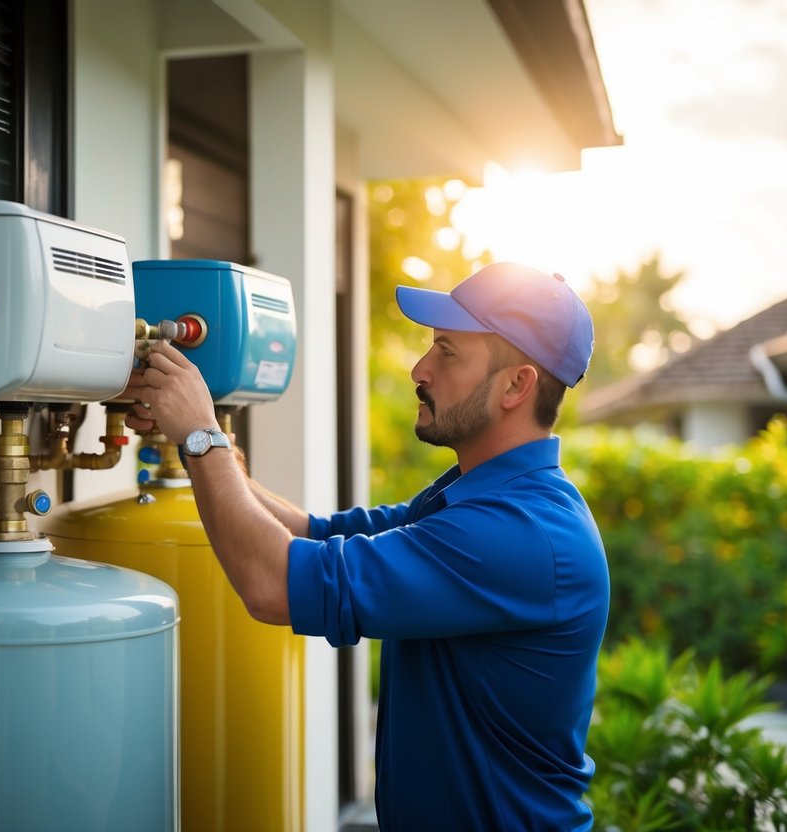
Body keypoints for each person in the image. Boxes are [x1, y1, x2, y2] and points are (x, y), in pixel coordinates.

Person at [124, 261, 610, 831]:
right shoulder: (475, 499)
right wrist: (200, 439)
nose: (419, 368)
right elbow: (311, 533)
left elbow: (272, 585)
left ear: (516, 385)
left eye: (447, 352)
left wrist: (202, 436)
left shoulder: (520, 534)